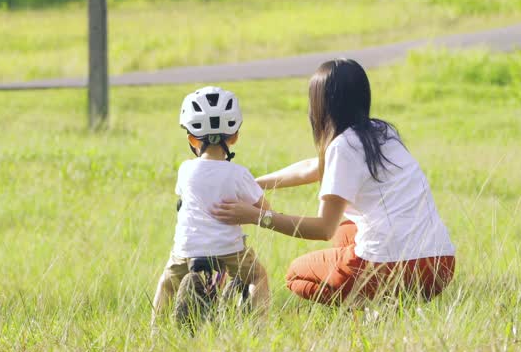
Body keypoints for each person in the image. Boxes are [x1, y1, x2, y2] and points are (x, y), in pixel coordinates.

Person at [212, 59, 455, 305]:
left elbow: (323, 228)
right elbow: (312, 167)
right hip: (440, 266)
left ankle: (375, 307)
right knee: (345, 232)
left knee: (295, 274)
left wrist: (256, 216)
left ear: (321, 105)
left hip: (390, 267)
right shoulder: (382, 133)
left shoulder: (343, 147)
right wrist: (253, 184)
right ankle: (386, 299)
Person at [152, 86, 271, 325]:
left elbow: (182, 199)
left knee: (166, 284)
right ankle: (259, 328)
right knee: (259, 276)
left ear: (191, 139)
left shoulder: (185, 170)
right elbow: (264, 209)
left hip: (187, 249)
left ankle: (155, 331)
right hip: (229, 250)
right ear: (234, 136)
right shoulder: (239, 174)